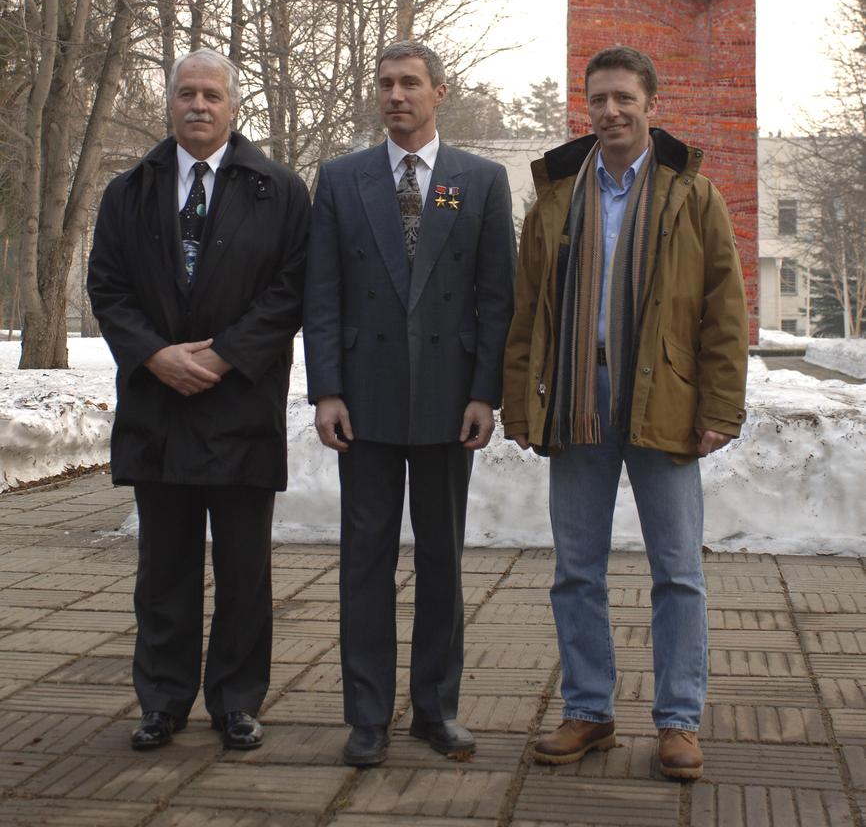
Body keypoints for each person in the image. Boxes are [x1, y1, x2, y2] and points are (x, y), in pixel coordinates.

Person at [502, 45, 748, 780]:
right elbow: (528, 313)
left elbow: (724, 310)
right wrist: (521, 401)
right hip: (576, 398)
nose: (610, 111)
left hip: (665, 402)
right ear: (588, 105)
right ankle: (588, 711)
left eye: (624, 99)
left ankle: (678, 721)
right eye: (599, 98)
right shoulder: (554, 194)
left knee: (677, 571)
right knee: (576, 569)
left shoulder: (690, 194)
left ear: (650, 105)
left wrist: (721, 405)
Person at [88, 49, 310, 753]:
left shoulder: (277, 189)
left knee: (244, 570)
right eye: (186, 93)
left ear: (233, 105)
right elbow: (109, 289)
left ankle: (237, 701)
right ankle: (162, 699)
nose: (198, 105)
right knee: (164, 569)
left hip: (239, 402)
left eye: (212, 94)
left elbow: (292, 288)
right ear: (170, 104)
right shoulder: (130, 190)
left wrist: (223, 354)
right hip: (158, 407)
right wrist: (156, 355)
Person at [303, 41, 516, 768]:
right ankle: (366, 717)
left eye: (410, 84)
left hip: (449, 401)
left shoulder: (478, 181)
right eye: (386, 84)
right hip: (362, 401)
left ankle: (437, 710)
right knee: (364, 561)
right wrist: (326, 388)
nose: (396, 95)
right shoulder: (340, 179)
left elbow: (497, 297)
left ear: (439, 92)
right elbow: (322, 294)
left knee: (442, 562)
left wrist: (486, 392)